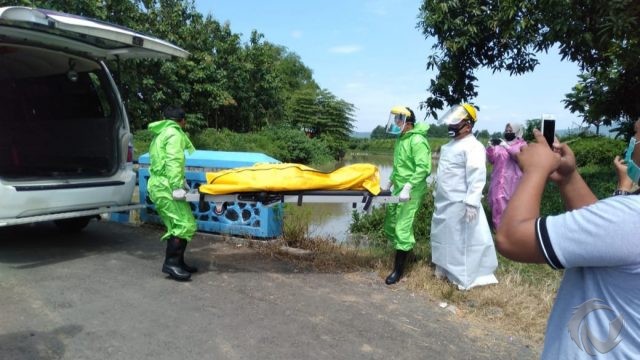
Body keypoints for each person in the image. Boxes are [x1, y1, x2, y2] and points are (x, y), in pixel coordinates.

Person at [495, 119, 640, 357]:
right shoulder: (628, 219)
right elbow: (604, 233)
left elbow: (511, 238)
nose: (632, 144)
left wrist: (535, 170)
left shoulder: (632, 217)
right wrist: (569, 177)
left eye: (636, 134)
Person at [429, 103, 498, 290]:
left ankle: (462, 276)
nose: (451, 125)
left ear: (468, 125)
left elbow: (477, 176)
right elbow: (444, 175)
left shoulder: (473, 147)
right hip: (444, 202)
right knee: (442, 237)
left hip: (461, 204)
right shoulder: (449, 146)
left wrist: (472, 202)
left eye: (456, 121)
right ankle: (443, 268)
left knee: (461, 241)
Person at [382, 106, 431, 285]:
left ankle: (398, 271)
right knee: (391, 223)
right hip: (398, 187)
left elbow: (423, 168)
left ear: (407, 122)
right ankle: (408, 254)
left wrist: (409, 186)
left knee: (402, 227)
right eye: (395, 119)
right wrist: (390, 182)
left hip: (412, 190)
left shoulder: (417, 140)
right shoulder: (401, 139)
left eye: (398, 120)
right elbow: (399, 166)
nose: (395, 122)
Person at [147, 106, 197, 281]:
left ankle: (179, 262)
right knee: (184, 224)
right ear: (182, 121)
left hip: (159, 185)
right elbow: (173, 161)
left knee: (178, 225)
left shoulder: (161, 134)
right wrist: (177, 185)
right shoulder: (175, 134)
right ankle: (172, 264)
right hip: (166, 186)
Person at [486, 122, 527, 230]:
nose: (508, 133)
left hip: (513, 180)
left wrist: (507, 146)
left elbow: (518, 157)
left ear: (517, 132)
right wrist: (490, 148)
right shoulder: (500, 145)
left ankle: (513, 230)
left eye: (510, 131)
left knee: (512, 205)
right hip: (498, 180)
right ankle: (498, 231)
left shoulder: (522, 145)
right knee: (497, 203)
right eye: (506, 131)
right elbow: (492, 159)